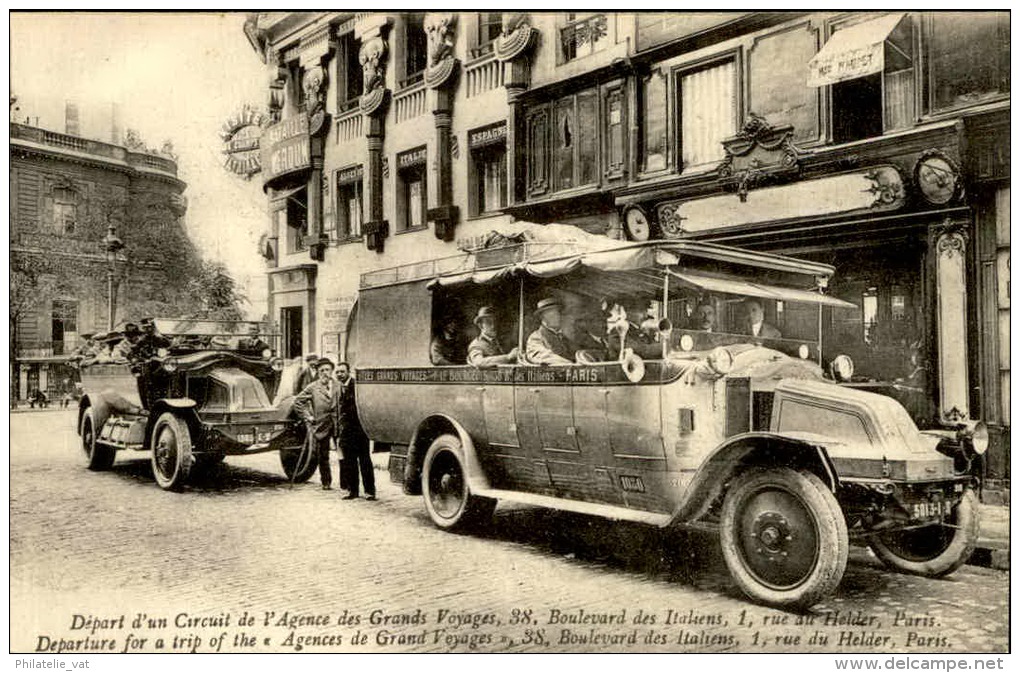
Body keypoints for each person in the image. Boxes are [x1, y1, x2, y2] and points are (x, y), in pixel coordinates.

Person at [292, 357, 341, 491]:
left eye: (328, 370)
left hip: (338, 425)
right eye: (322, 370)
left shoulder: (339, 385)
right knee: (323, 456)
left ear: (332, 371)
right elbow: (298, 402)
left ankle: (346, 483)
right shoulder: (313, 387)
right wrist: (308, 416)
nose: (325, 373)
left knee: (343, 455)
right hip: (321, 425)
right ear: (318, 372)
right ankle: (326, 482)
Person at [335, 362, 375, 501]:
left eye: (342, 371)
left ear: (348, 371)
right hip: (346, 432)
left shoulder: (356, 386)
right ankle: (353, 491)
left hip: (359, 431)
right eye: (338, 372)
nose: (340, 374)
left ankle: (370, 491)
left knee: (364, 461)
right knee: (349, 462)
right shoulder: (339, 388)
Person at [526, 298, 576, 365]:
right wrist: (568, 363)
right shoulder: (536, 337)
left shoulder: (563, 337)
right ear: (543, 317)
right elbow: (541, 356)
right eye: (552, 314)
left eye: (557, 313)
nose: (557, 317)